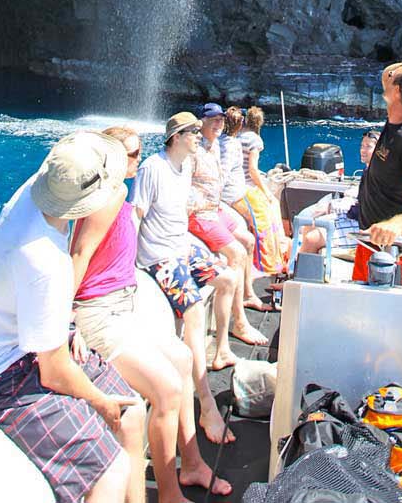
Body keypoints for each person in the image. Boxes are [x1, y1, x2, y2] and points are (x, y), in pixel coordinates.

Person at [0, 130, 147, 503]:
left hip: (30, 348)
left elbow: (75, 147)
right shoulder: (42, 259)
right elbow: (52, 370)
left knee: (134, 414)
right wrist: (100, 401)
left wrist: (67, 326)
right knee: (109, 470)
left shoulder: (43, 185)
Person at [71, 126, 230, 500]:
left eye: (139, 150)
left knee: (182, 356)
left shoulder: (116, 195)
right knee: (168, 388)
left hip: (122, 302)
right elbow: (78, 256)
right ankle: (169, 493)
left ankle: (191, 463)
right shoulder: (109, 197)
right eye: (131, 153)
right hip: (99, 312)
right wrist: (66, 320)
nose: (138, 158)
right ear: (109, 160)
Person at [300, 60, 402, 285]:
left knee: (390, 318)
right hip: (369, 241)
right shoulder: (397, 119)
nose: (390, 73)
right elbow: (387, 74)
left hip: (396, 253)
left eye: (396, 74)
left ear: (396, 92)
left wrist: (395, 226)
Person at [134, 112, 246, 378]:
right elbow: (136, 216)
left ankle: (221, 351)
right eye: (193, 133)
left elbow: (180, 214)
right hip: (159, 256)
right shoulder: (152, 168)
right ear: (176, 138)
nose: (199, 136)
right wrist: (130, 268)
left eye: (198, 131)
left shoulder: (185, 166)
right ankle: (205, 398)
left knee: (229, 278)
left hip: (181, 245)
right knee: (194, 309)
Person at [188, 104, 268, 325]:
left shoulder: (214, 147)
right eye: (213, 119)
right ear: (200, 121)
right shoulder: (193, 150)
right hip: (200, 214)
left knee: (250, 240)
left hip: (216, 208)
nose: (219, 123)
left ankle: (248, 294)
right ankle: (239, 322)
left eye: (221, 119)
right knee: (238, 253)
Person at [223, 108, 284, 276]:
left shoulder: (237, 137)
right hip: (246, 187)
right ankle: (269, 262)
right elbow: (253, 170)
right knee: (270, 212)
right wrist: (267, 193)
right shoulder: (255, 140)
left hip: (237, 185)